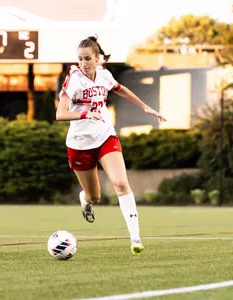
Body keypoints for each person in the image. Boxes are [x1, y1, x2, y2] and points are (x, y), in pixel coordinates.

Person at [55, 36, 167, 255]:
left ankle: (136, 239)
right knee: (95, 197)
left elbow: (120, 89)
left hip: (106, 136)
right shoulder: (74, 79)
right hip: (79, 144)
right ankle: (85, 199)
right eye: (80, 59)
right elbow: (60, 114)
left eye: (88, 58)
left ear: (98, 59)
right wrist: (86, 113)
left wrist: (145, 108)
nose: (83, 63)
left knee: (121, 184)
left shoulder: (105, 75)